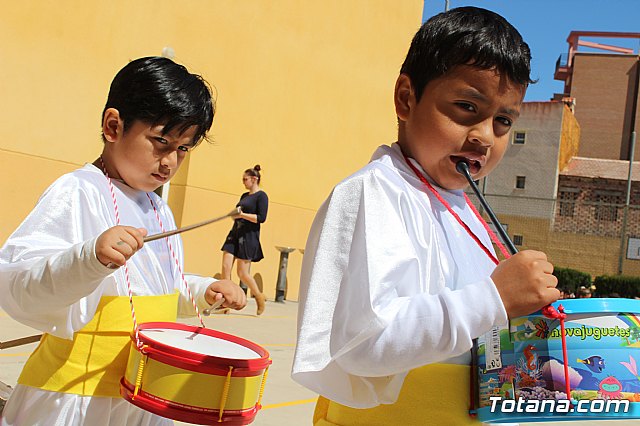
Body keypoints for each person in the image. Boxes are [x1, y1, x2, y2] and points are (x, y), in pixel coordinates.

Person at [292, 7, 560, 425]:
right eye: (467, 107)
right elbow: (362, 340)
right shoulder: (375, 192)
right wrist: (493, 298)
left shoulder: (463, 208)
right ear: (406, 98)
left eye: (504, 121)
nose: (485, 137)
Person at [0, 56, 247, 426]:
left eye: (183, 148)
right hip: (75, 400)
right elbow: (17, 283)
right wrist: (88, 258)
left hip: (141, 399)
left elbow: (156, 292)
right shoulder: (79, 191)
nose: (169, 163)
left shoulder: (157, 208)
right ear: (113, 126)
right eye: (160, 141)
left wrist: (203, 291)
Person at [221, 165, 269, 315]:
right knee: (225, 267)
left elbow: (261, 218)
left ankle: (259, 296)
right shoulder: (244, 196)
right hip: (235, 233)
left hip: (248, 237)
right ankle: (225, 303)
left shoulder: (262, 196)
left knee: (242, 273)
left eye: (245, 179)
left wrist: (242, 215)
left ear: (254, 179)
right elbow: (238, 212)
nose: (243, 182)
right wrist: (235, 215)